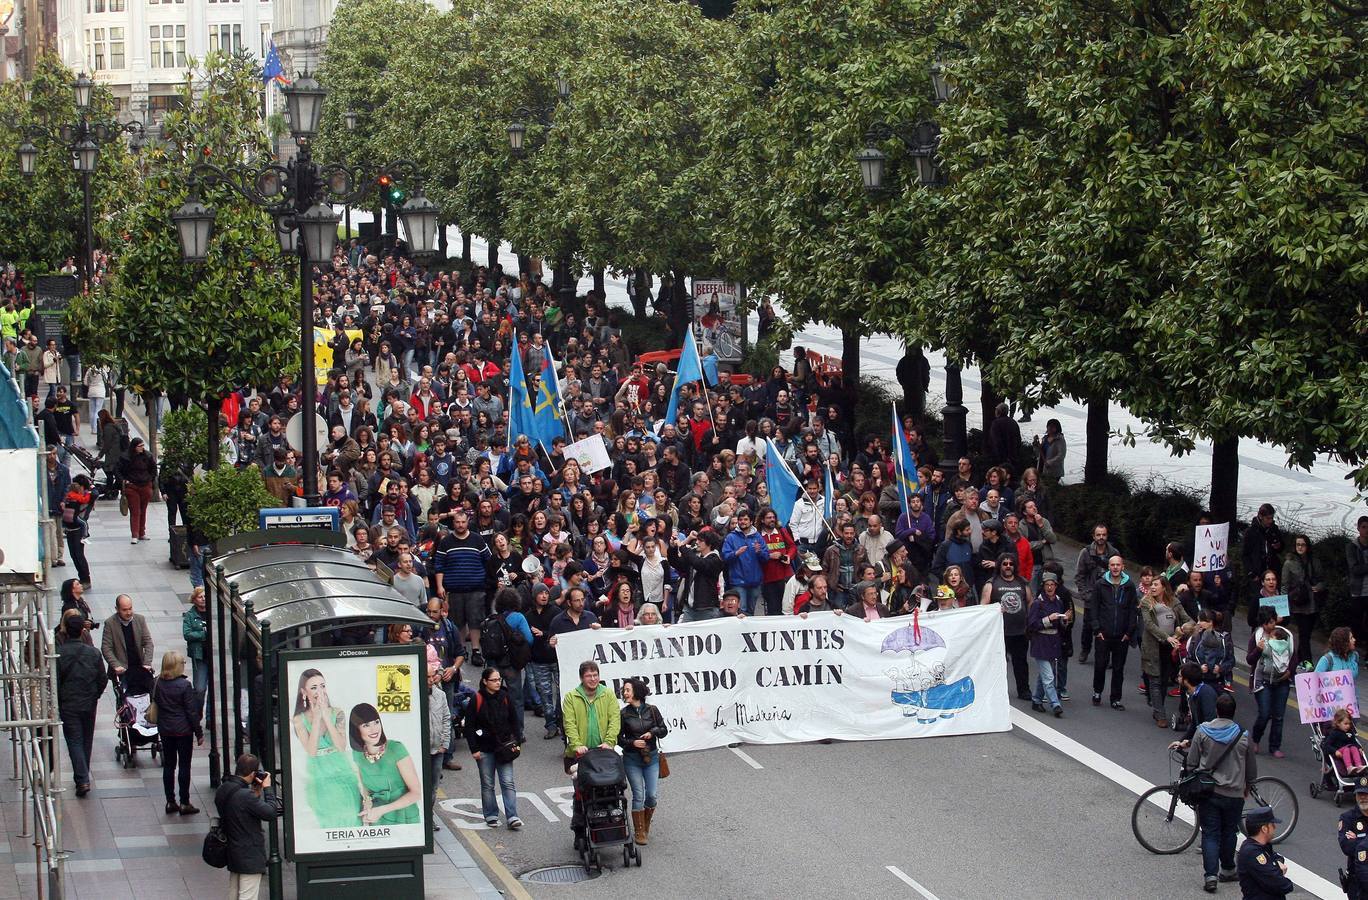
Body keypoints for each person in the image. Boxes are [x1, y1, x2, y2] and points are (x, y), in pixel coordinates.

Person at [1185, 692, 1255, 893]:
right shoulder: (1243, 736)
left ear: (1216, 710)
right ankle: (1228, 868)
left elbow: (1192, 762)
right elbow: (1251, 768)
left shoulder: (1202, 732)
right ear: (1234, 712)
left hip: (1209, 792)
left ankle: (1210, 876)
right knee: (1229, 831)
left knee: (1210, 834)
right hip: (1234, 794)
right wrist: (1248, 785)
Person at [290, 669, 363, 828]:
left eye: (322, 686)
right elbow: (311, 751)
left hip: (341, 770)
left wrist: (326, 716)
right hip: (319, 775)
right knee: (328, 821)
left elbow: (341, 746)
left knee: (351, 816)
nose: (319, 691)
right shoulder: (298, 719)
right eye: (314, 687)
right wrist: (316, 718)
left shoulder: (337, 713)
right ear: (304, 692)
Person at [214, 753, 281, 900]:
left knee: (234, 895)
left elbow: (242, 812)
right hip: (249, 855)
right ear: (252, 774)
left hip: (233, 851)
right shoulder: (245, 796)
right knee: (247, 897)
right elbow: (270, 813)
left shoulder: (224, 789)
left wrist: (255, 792)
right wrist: (268, 789)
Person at [465, 667, 524, 829]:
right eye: (494, 680)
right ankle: (491, 815)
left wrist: (517, 742)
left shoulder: (505, 697)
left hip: (504, 748)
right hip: (484, 749)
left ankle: (512, 816)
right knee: (488, 784)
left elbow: (515, 721)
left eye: (499, 680)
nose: (498, 683)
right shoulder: (476, 699)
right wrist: (474, 749)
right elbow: (469, 726)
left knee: (508, 782)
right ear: (485, 682)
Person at [55, 609, 106, 797]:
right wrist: (95, 695)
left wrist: (60, 699)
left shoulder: (58, 654)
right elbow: (102, 678)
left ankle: (82, 778)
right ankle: (82, 774)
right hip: (88, 701)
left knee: (74, 740)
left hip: (69, 703)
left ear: (66, 630)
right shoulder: (93, 653)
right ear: (82, 631)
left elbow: (55, 682)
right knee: (86, 739)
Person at [349, 702, 423, 825]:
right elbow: (365, 788)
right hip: (377, 818)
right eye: (366, 725)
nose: (374, 729)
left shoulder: (396, 749)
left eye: (376, 722)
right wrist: (367, 806)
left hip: (403, 814)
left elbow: (416, 793)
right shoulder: (357, 754)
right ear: (356, 729)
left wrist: (382, 810)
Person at [618, 676, 668, 846]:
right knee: (638, 794)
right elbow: (619, 739)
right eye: (624, 690)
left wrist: (652, 732)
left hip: (651, 758)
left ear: (637, 692)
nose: (625, 693)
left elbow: (663, 729)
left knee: (652, 795)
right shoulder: (623, 714)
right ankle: (639, 831)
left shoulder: (652, 710)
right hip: (632, 759)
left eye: (627, 690)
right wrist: (632, 742)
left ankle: (645, 824)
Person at [153, 650, 204, 815]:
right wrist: (199, 732)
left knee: (169, 765)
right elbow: (191, 712)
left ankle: (170, 801)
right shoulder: (184, 685)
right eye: (182, 663)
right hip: (183, 731)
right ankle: (184, 802)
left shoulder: (157, 683)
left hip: (165, 730)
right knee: (184, 765)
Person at [1140, 578, 1192, 730]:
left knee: (1163, 681)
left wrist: (1182, 630)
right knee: (1155, 680)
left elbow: (1187, 620)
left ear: (1164, 588)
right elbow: (1149, 625)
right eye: (1152, 585)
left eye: (1156, 585)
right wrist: (1166, 637)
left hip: (1170, 648)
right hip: (1153, 647)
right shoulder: (1146, 603)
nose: (1153, 587)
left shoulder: (1175, 602)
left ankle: (1157, 708)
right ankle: (1161, 715)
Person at [981, 553, 1031, 700]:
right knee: (998, 663)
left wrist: (1030, 622)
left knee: (1021, 662)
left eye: (1011, 564)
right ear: (999, 566)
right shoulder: (991, 584)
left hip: (1020, 632)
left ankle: (1024, 690)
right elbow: (983, 607)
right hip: (999, 632)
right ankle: (997, 690)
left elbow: (1030, 602)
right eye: (1005, 563)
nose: (1008, 566)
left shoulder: (1022, 582)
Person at [1247, 606, 1294, 758]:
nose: (1271, 626)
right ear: (1262, 624)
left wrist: (1289, 671)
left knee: (1279, 715)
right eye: (1268, 623)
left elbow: (1294, 655)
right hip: (1263, 681)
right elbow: (1250, 660)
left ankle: (1275, 746)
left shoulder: (1284, 635)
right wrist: (1258, 650)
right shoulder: (1257, 637)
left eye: (1273, 622)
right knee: (1265, 713)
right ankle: (1255, 739)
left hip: (1282, 682)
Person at [1090, 555, 1136, 710]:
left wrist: (1129, 632)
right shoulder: (1100, 584)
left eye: (1118, 565)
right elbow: (1094, 608)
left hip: (1121, 636)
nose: (1115, 567)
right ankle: (1097, 691)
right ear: (1108, 567)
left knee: (1118, 668)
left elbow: (1132, 610)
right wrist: (1096, 629)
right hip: (1103, 634)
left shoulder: (1129, 586)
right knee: (1100, 665)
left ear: (1123, 566)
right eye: (1112, 565)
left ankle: (1116, 698)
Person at [561, 660, 621, 775]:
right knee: (582, 787)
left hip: (604, 751)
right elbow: (569, 724)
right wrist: (577, 745)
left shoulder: (608, 694)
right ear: (581, 678)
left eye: (595, 675)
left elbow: (615, 720)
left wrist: (609, 742)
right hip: (581, 754)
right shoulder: (571, 697)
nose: (593, 679)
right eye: (589, 676)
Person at [1281, 533, 1324, 668]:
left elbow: (1322, 579)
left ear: (1307, 546)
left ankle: (1298, 660)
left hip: (1312, 602)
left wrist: (1319, 587)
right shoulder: (1289, 563)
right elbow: (1284, 585)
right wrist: (1283, 606)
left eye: (1303, 544)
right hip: (1298, 603)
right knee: (1304, 634)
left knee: (1307, 633)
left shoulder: (1314, 561)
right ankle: (1308, 662)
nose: (1300, 547)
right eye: (1298, 544)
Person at [1241, 503, 1284, 628]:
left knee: (1274, 598)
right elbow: (1245, 554)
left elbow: (1280, 546)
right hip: (1257, 573)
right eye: (1268, 518)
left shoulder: (1273, 529)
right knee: (1259, 602)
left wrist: (1278, 545)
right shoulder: (1251, 532)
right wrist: (1251, 572)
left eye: (1272, 518)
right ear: (1261, 516)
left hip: (1272, 569)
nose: (1270, 521)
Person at [1236, 806, 1293, 898]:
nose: (1275, 827)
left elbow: (1277, 857)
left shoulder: (1262, 846)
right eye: (1272, 825)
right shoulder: (1252, 853)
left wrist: (1276, 864)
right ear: (1264, 829)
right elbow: (1280, 884)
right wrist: (1286, 880)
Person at [100, 594, 154, 691]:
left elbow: (148, 642)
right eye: (124, 610)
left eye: (130, 608)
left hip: (139, 667)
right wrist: (116, 665)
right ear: (117, 609)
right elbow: (106, 647)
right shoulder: (110, 623)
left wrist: (147, 663)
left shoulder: (140, 619)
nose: (128, 612)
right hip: (122, 671)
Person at [426, 647, 452, 829]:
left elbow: (446, 719)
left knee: (434, 787)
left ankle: (430, 816)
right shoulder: (416, 695)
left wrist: (444, 743)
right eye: (427, 677)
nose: (431, 680)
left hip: (437, 749)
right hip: (422, 749)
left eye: (433, 676)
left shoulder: (440, 695)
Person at [1170, 662, 1219, 749]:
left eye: (1180, 676)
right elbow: (1195, 723)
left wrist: (1189, 743)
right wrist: (1180, 742)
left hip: (1212, 745)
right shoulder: (1193, 694)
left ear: (1186, 680)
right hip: (1203, 741)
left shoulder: (1206, 694)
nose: (1178, 679)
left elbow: (1210, 725)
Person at [118, 437, 157, 543]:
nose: (142, 448)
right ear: (134, 447)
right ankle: (135, 534)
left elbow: (153, 469)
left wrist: (150, 480)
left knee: (143, 510)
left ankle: (142, 533)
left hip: (145, 485)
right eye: (140, 446)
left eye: (143, 446)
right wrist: (124, 481)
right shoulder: (125, 457)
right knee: (135, 511)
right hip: (132, 487)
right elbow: (118, 470)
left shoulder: (148, 456)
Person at [1337, 777, 1368, 893]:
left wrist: (1359, 840)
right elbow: (1347, 847)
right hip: (1357, 881)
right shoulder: (1347, 818)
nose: (1363, 797)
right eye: (1360, 794)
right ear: (1355, 796)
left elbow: (1356, 846)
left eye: (1366, 794)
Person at [1327, 708, 1368, 776]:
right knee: (1347, 749)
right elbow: (1327, 745)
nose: (1348, 726)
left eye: (1349, 724)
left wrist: (1359, 747)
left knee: (1354, 748)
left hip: (1349, 750)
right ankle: (1349, 767)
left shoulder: (1350, 732)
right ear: (1338, 723)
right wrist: (1335, 751)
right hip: (1339, 752)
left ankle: (1359, 766)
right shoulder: (1334, 733)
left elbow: (1354, 741)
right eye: (1345, 724)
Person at [183, 586, 208, 696]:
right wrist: (203, 634)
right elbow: (187, 634)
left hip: (214, 654)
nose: (203, 599)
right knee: (199, 688)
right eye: (200, 597)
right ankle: (197, 711)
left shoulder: (213, 613)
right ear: (194, 599)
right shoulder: (190, 615)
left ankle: (208, 713)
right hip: (199, 655)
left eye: (205, 596)